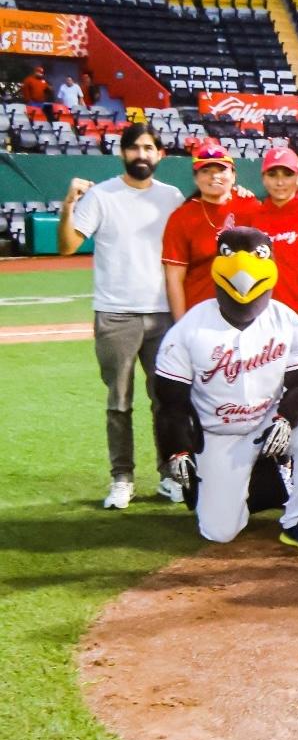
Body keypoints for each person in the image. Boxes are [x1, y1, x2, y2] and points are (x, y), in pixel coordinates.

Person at [153, 226, 298, 551]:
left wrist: (285, 419)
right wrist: (176, 448)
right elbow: (170, 402)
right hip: (218, 434)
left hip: (270, 423)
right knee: (220, 531)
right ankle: (264, 483)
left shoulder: (289, 322)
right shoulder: (190, 327)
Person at [57, 122, 185, 509]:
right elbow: (66, 247)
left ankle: (170, 475)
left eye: (149, 147)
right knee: (119, 403)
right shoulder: (102, 197)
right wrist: (68, 206)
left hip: (164, 316)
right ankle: (122, 478)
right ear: (122, 153)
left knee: (167, 402)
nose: (141, 154)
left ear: (160, 154)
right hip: (116, 316)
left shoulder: (173, 197)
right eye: (134, 148)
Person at [161, 141, 258, 320]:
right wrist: (181, 324)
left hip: (245, 313)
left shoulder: (251, 207)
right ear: (196, 178)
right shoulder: (182, 217)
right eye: (205, 171)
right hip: (199, 315)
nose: (214, 176)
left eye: (221, 170)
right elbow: (174, 279)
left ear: (234, 175)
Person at [249, 145, 298, 324]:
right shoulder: (254, 215)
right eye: (272, 174)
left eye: (287, 174)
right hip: (263, 316)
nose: (280, 182)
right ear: (263, 178)